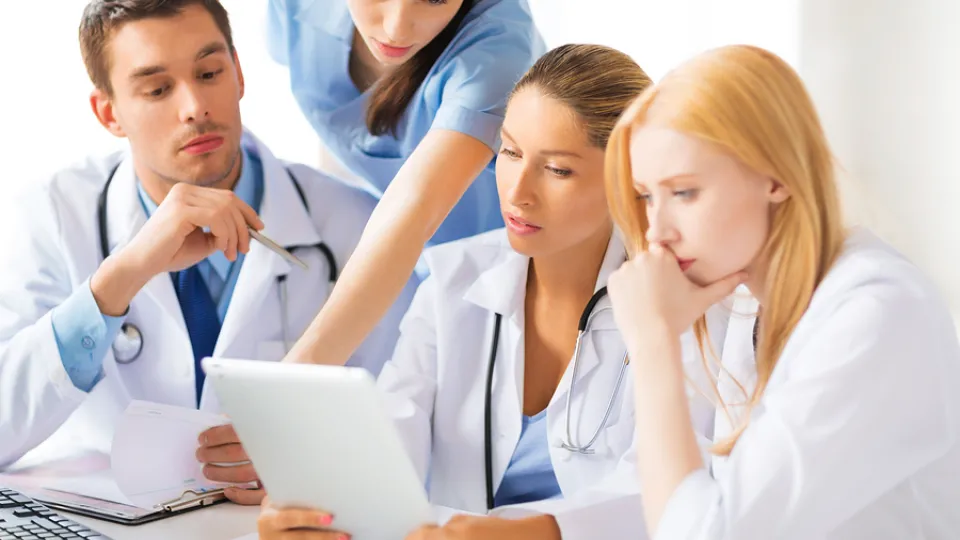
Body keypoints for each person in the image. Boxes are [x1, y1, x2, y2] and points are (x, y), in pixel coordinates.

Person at [256, 44, 730, 540]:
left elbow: (675, 485)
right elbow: (393, 429)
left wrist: (531, 533)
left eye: (557, 169)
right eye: (510, 151)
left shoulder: (684, 303)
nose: (518, 192)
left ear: (629, 179)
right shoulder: (453, 280)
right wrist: (324, 501)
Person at [0, 0, 413, 506]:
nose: (195, 106)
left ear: (238, 74)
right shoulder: (51, 216)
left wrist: (307, 464)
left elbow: (407, 430)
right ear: (109, 113)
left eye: (209, 73)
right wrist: (119, 279)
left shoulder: (354, 224)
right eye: (157, 89)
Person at [604, 44, 960, 539]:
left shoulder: (878, 314)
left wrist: (652, 342)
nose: (656, 231)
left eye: (684, 192)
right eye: (646, 196)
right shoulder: (748, 303)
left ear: (776, 175)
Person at [266, 0, 546, 371]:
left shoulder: (497, 52)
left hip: (514, 280)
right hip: (404, 270)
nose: (396, 29)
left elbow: (415, 209)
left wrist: (298, 373)